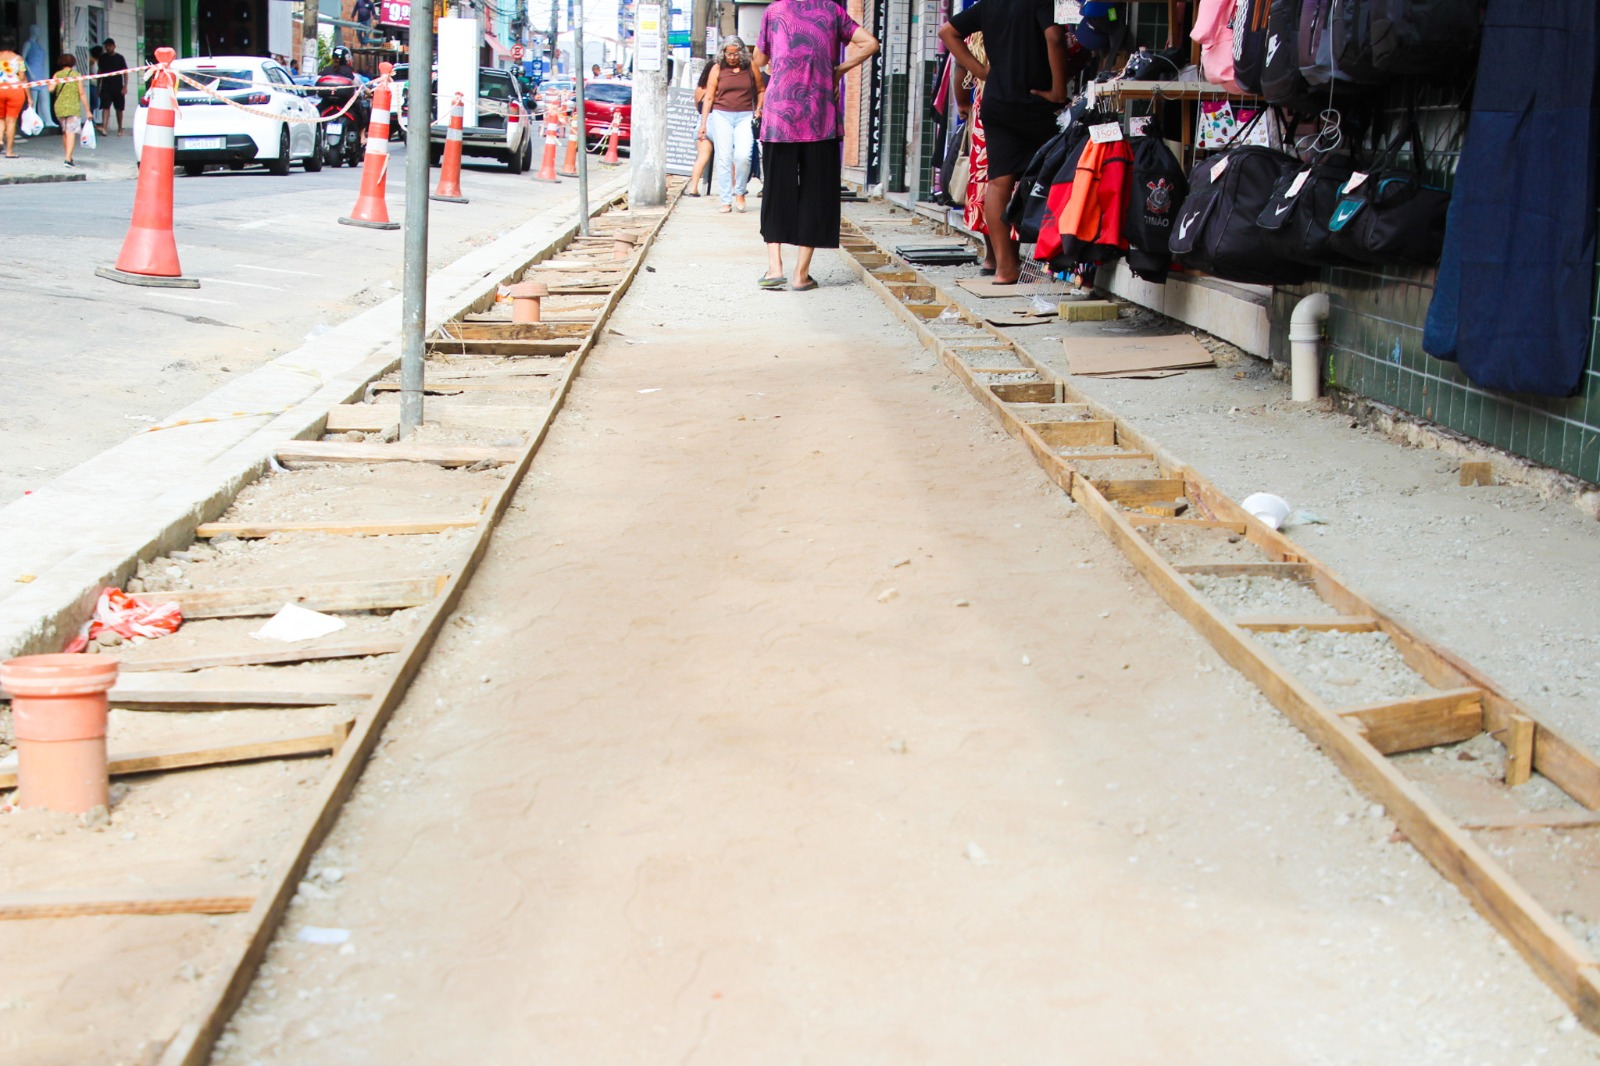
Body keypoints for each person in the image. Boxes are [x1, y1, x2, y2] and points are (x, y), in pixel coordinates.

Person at [939, 0, 1069, 284]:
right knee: (1055, 176)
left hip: (997, 102)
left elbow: (948, 32)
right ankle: (1057, 261)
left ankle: (1005, 268)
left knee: (999, 182)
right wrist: (1060, 90)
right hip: (1035, 101)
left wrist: (983, 71)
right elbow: (1055, 37)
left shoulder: (990, 4)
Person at [753, 0, 878, 291]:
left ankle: (775, 268)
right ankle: (800, 275)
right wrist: (838, 70)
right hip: (819, 116)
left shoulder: (775, 11)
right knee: (815, 192)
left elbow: (759, 59)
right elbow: (870, 44)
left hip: (779, 118)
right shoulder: (832, 11)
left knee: (776, 191)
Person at [698, 37, 763, 214]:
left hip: (744, 116)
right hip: (721, 115)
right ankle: (726, 200)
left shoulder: (750, 66)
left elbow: (761, 90)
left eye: (735, 53)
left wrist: (758, 109)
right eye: (729, 53)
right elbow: (709, 97)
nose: (732, 57)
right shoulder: (717, 68)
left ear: (741, 53)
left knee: (743, 156)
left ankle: (740, 192)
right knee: (724, 157)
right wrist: (703, 123)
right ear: (723, 53)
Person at [49, 54, 89, 167]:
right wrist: (88, 111)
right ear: (73, 63)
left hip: (59, 107)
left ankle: (69, 156)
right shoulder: (77, 76)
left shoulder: (57, 75)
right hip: (73, 107)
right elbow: (81, 93)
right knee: (71, 132)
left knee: (65, 132)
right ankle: (68, 159)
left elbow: (51, 89)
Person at [685, 60, 715, 196]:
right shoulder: (718, 88)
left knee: (702, 157)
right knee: (729, 157)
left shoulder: (699, 89)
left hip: (701, 121)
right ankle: (734, 189)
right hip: (718, 120)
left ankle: (694, 187)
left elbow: (697, 107)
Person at [0, 34, 26, 159]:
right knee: (11, 121)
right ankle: (9, 151)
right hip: (14, 90)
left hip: (0, 89)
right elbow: (22, 76)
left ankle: (0, 140)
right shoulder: (19, 59)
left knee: (0, 119)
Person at [98, 38, 130, 136]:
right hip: (106, 86)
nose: (108, 48)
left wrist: (125, 86)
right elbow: (100, 72)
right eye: (106, 46)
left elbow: (125, 73)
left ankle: (120, 129)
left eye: (110, 46)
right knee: (105, 107)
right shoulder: (102, 57)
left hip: (118, 86)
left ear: (114, 46)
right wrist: (98, 87)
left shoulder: (120, 58)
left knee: (119, 109)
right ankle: (104, 127)